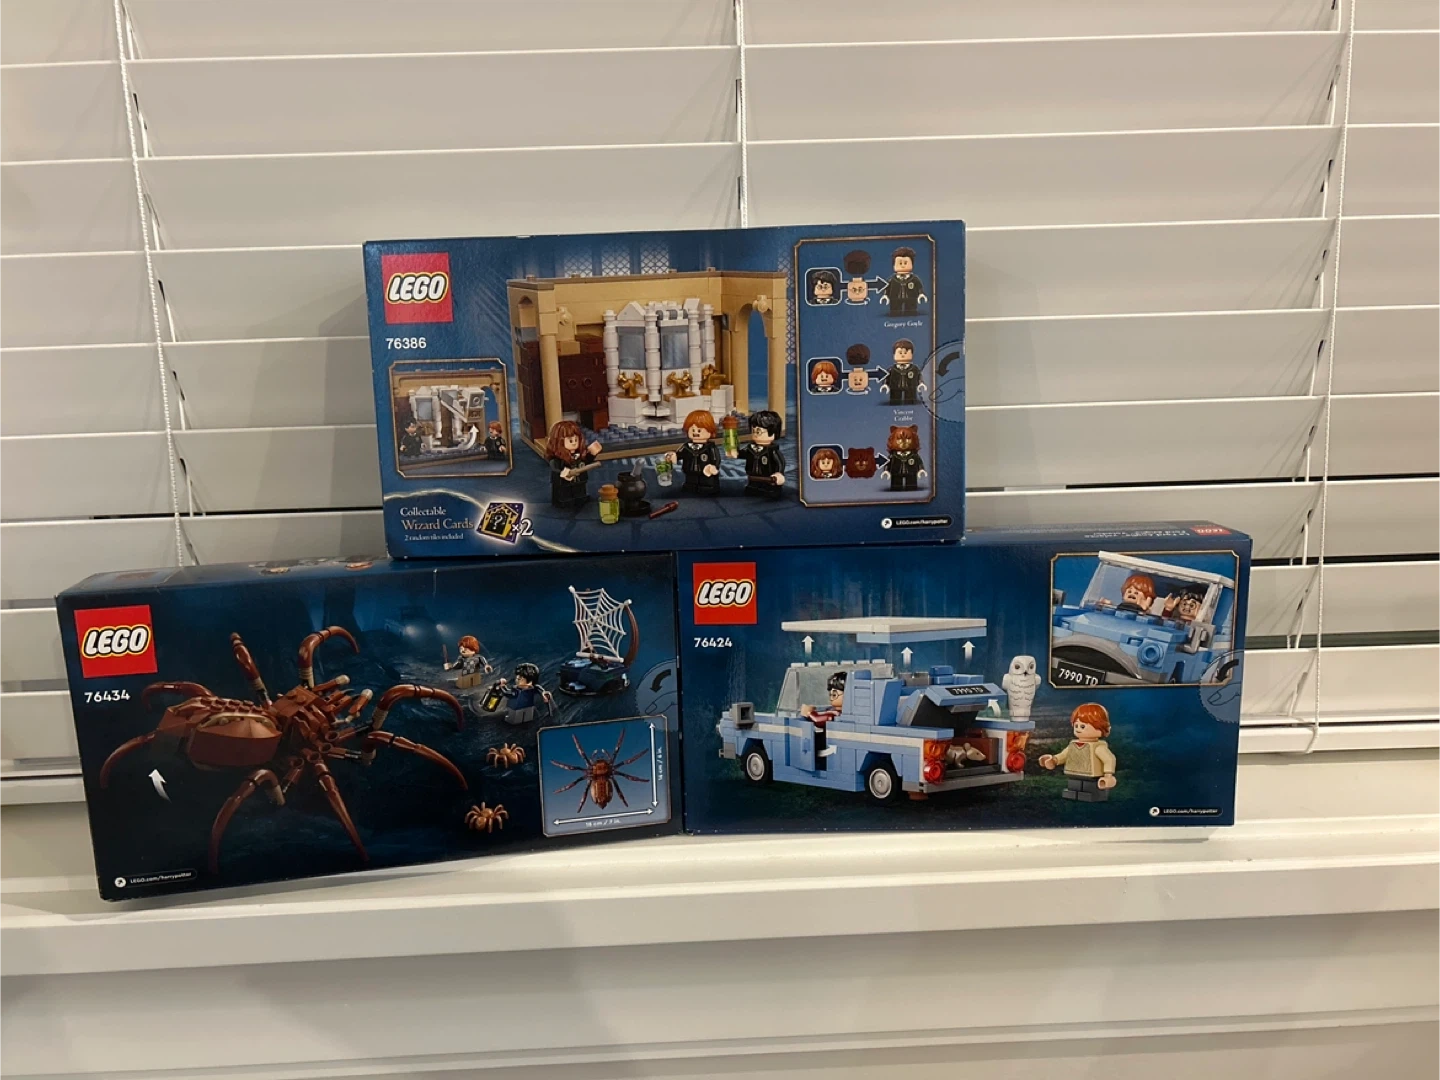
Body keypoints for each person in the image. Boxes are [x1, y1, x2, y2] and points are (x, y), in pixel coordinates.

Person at [1040, 703, 1118, 802]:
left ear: (1100, 727)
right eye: (1076, 725)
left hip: (1092, 777)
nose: (1078, 729)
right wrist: (1054, 760)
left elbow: (1109, 759)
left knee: (1090, 788)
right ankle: (1073, 794)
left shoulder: (1098, 747)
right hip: (1074, 774)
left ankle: (1092, 795)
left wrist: (1108, 775)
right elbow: (1064, 755)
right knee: (1074, 785)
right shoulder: (1073, 744)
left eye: (1082, 726)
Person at [546, 420, 602, 509]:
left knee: (580, 491)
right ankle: (564, 501)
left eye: (576, 440)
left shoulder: (578, 455)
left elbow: (585, 462)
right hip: (564, 482)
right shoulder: (558, 458)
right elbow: (554, 466)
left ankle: (580, 498)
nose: (574, 443)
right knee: (565, 493)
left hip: (579, 480)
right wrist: (563, 472)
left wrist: (592, 454)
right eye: (570, 440)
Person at [666, 410, 722, 496]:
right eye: (692, 430)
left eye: (699, 430)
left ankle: (709, 487)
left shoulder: (710, 448)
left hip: (706, 474)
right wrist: (672, 456)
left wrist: (713, 467)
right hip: (690, 473)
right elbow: (679, 454)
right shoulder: (686, 446)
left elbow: (716, 459)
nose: (695, 433)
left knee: (707, 484)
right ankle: (691, 487)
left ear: (710, 431)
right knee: (690, 482)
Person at [731, 410, 785, 497]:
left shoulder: (772, 451)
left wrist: (779, 473)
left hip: (768, 480)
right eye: (753, 431)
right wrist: (736, 453)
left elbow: (780, 462)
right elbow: (744, 454)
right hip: (753, 478)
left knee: (770, 491)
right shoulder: (750, 448)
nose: (755, 434)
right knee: (752, 490)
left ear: (773, 433)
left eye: (758, 432)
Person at [799, 671, 846, 770]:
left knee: (816, 742)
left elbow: (818, 720)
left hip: (829, 745)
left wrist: (809, 713)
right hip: (830, 740)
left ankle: (818, 759)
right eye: (830, 695)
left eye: (834, 695)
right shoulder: (833, 709)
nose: (831, 698)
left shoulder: (836, 714)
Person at [880, 246, 927, 316]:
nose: (902, 266)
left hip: (911, 299)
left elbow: (919, 286)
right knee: (895, 313)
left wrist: (921, 294)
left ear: (912, 264)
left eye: (905, 263)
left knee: (911, 312)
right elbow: (887, 288)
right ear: (894, 266)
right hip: (895, 298)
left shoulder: (914, 279)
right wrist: (885, 295)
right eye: (900, 263)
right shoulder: (891, 279)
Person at [883, 340, 923, 405]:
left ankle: (910, 403)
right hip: (895, 387)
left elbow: (919, 375)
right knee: (895, 401)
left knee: (910, 400)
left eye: (905, 353)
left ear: (912, 354)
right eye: (900, 353)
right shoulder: (892, 369)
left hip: (910, 387)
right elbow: (887, 377)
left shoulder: (914, 368)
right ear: (894, 354)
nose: (903, 355)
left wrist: (920, 383)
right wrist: (885, 384)